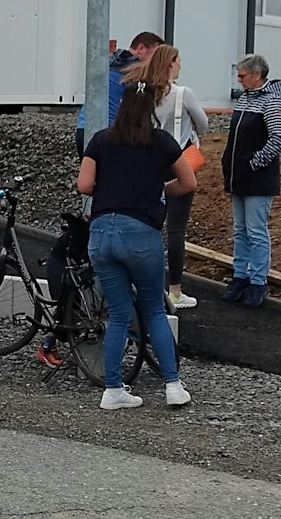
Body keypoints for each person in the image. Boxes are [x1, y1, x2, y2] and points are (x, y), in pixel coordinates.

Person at [77, 71, 198, 411]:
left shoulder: (101, 140)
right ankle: (173, 386)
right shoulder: (161, 142)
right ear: (151, 108)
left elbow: (84, 185)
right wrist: (159, 189)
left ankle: (113, 390)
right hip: (141, 235)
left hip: (101, 233)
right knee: (153, 311)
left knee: (117, 314)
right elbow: (188, 182)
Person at [140, 45, 206, 310]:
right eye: (178, 62)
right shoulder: (182, 93)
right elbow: (204, 124)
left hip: (150, 162)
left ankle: (148, 286)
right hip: (180, 162)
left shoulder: (144, 92)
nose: (180, 67)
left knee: (149, 224)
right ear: (170, 64)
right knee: (177, 230)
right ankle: (175, 291)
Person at [221, 53, 281, 308]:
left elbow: (278, 138)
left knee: (256, 230)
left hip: (257, 179)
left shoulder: (272, 102)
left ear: (257, 75)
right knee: (240, 230)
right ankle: (240, 276)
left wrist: (254, 163)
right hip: (239, 176)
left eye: (242, 76)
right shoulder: (245, 100)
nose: (239, 80)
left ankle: (258, 281)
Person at [76, 32, 164, 155]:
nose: (156, 62)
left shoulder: (111, 63)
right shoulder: (134, 72)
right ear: (141, 49)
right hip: (106, 133)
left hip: (83, 127)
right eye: (155, 55)